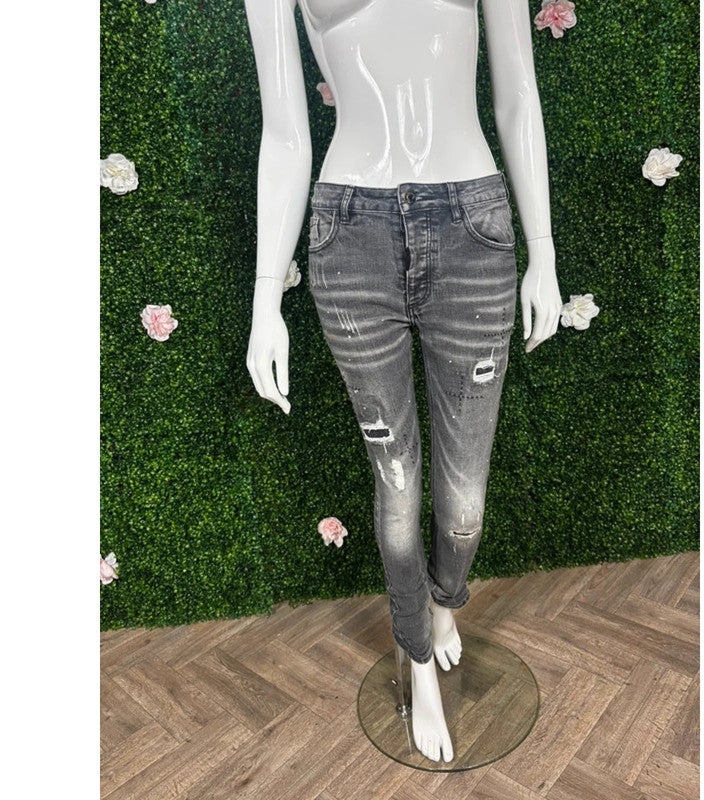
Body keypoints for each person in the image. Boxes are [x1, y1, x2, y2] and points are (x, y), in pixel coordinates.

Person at [244, 0, 562, 763]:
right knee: (397, 486)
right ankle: (416, 657)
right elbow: (284, 131)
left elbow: (518, 95)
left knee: (465, 500)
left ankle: (446, 601)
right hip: (349, 233)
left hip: (472, 225)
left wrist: (544, 250)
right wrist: (264, 298)